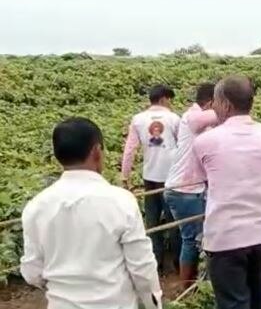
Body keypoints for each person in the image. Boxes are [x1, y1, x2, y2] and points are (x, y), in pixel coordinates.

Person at [20, 117, 162, 309]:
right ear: (96, 151)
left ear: (57, 155)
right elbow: (142, 267)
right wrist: (153, 304)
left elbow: (32, 272)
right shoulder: (121, 201)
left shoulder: (36, 207)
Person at [192, 76, 261, 309]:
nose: (213, 107)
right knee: (259, 301)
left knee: (234, 303)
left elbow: (204, 180)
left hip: (226, 236)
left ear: (226, 104)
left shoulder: (206, 141)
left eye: (215, 101)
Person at [121, 84, 181, 274]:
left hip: (150, 176)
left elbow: (130, 149)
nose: (171, 103)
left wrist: (125, 176)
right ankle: (178, 262)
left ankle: (156, 262)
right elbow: (185, 146)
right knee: (174, 220)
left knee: (152, 221)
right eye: (170, 99)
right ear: (164, 99)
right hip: (172, 177)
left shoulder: (138, 120)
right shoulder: (174, 119)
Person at [164, 82, 218, 287]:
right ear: (212, 102)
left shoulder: (200, 120)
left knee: (192, 237)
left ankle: (188, 284)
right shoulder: (193, 116)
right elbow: (216, 118)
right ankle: (186, 286)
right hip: (184, 190)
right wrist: (232, 111)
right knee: (194, 238)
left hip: (186, 188)